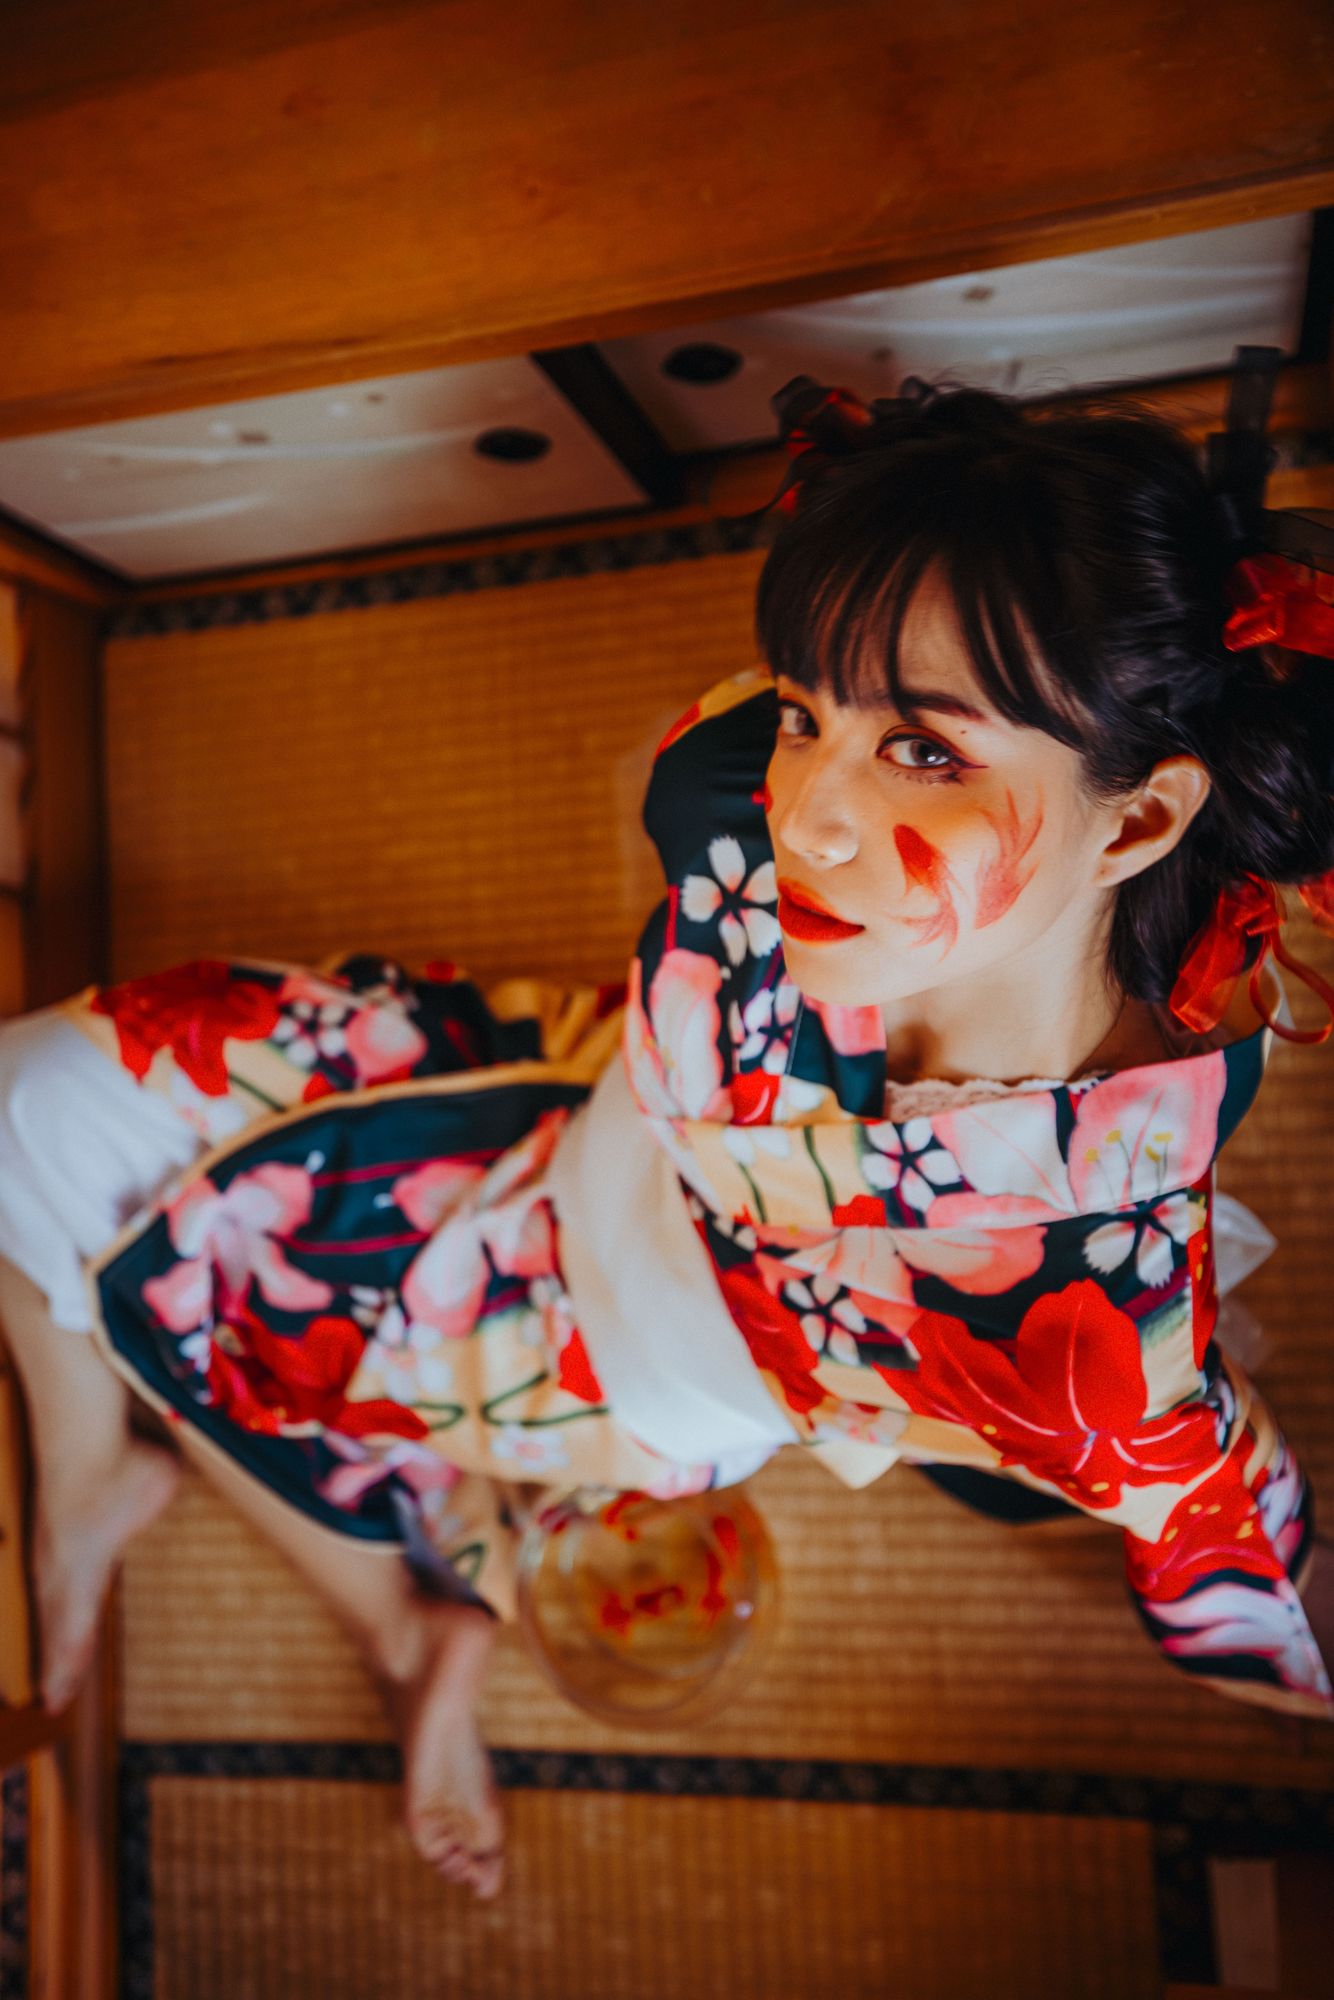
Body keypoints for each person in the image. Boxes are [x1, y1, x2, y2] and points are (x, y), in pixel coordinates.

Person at [3, 353, 1333, 1904]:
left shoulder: (1087, 1336)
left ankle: (403, 1617)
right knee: (25, 1101)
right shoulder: (730, 784)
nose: (805, 814)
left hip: (603, 1337)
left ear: (1141, 818)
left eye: (923, 749)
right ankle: (112, 1471)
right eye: (808, 714)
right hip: (572, 1078)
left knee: (186, 1284)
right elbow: (759, 758)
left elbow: (1257, 1604)